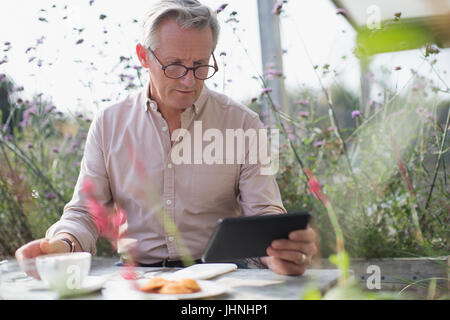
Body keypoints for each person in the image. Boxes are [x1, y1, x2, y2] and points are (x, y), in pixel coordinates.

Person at [15, 0, 317, 277]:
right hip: (137, 277)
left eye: (200, 66)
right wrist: (62, 244)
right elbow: (84, 213)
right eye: (175, 66)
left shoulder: (244, 124)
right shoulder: (108, 124)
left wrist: (277, 252)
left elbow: (264, 214)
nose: (189, 80)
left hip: (222, 274)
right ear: (143, 57)